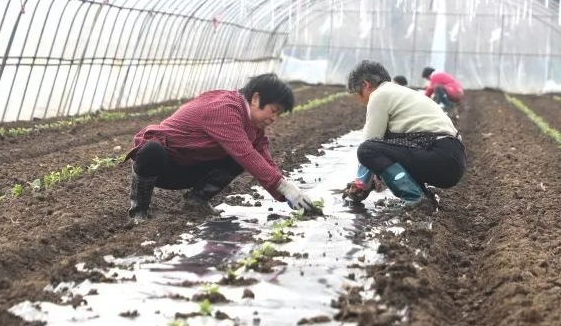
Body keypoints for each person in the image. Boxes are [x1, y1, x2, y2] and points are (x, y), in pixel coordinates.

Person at [125, 73, 318, 220]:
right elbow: (246, 153)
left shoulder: (252, 126)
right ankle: (139, 210)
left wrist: (287, 193)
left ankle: (196, 201)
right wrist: (283, 187)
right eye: (273, 111)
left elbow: (263, 158)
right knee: (152, 151)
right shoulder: (225, 109)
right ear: (256, 99)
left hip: (191, 168)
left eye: (279, 114)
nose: (274, 119)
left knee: (241, 158)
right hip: (164, 168)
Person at [343, 60, 467, 206]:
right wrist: (375, 181)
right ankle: (424, 198)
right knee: (389, 145)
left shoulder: (379, 95)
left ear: (366, 84)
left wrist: (361, 184)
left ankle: (414, 198)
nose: (359, 101)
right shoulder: (400, 92)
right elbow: (394, 157)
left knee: (366, 150)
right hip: (452, 160)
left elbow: (370, 143)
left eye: (357, 94)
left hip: (437, 153)